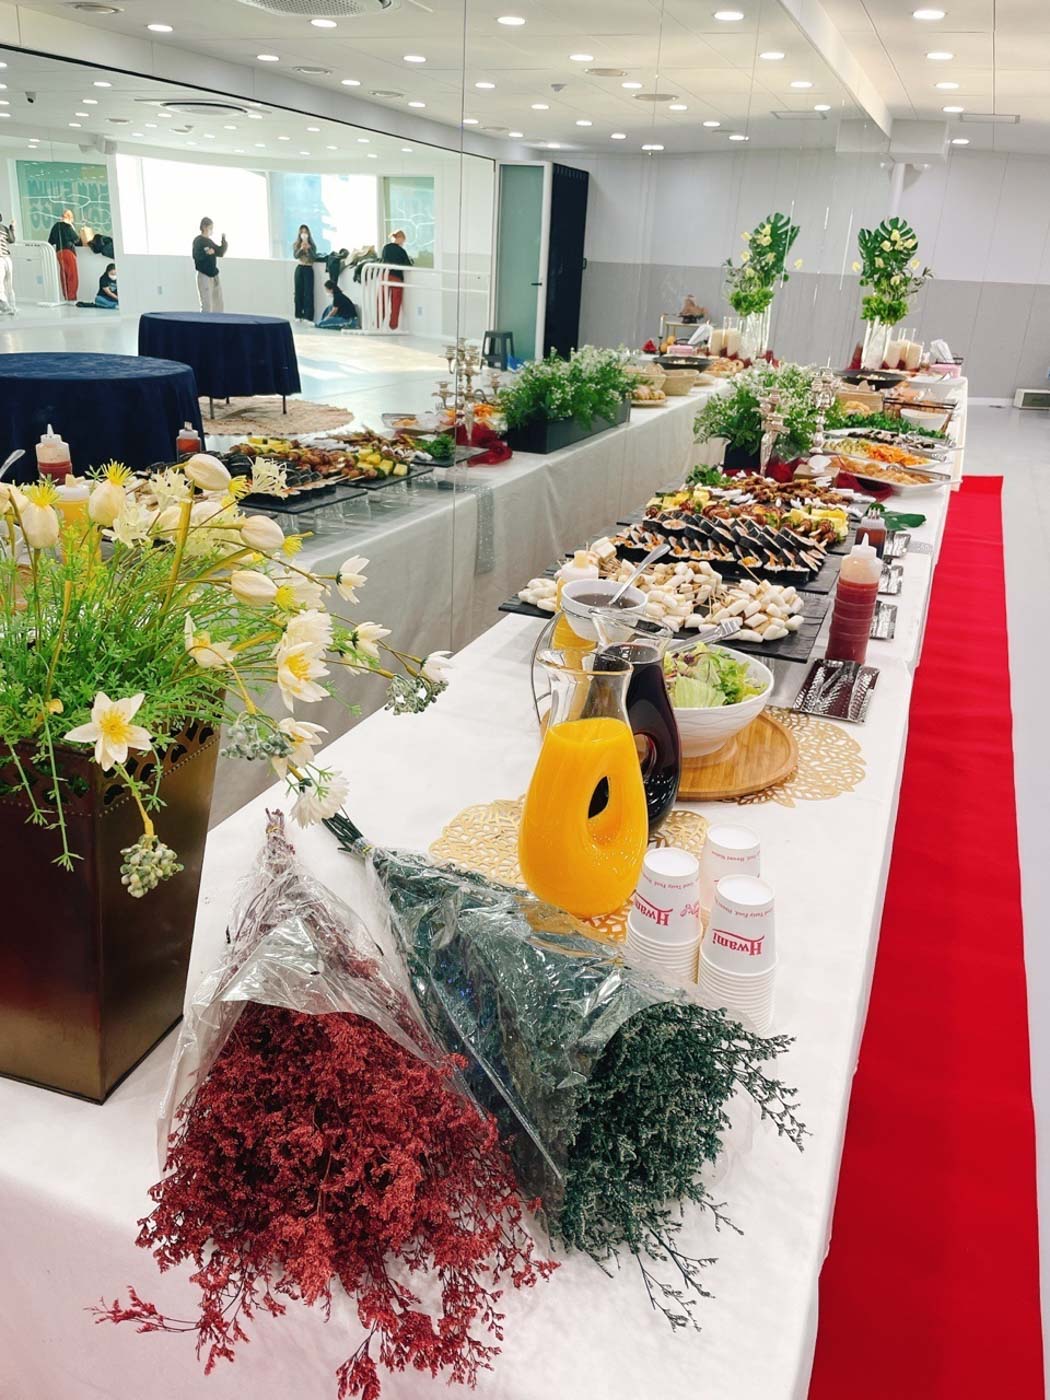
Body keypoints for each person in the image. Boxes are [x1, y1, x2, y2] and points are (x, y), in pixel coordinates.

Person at [192, 217, 227, 313]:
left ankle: (219, 321)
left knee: (218, 304)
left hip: (214, 275)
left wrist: (223, 241)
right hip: (204, 275)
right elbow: (196, 256)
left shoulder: (210, 242)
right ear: (204, 227)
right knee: (207, 304)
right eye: (210, 228)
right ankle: (206, 321)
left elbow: (220, 252)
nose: (212, 230)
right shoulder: (198, 241)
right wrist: (206, 253)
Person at [379, 229, 412, 330]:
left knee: (381, 300)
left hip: (385, 275)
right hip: (396, 277)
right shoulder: (401, 251)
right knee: (396, 302)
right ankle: (393, 325)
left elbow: (383, 259)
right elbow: (408, 265)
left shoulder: (386, 247)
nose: (403, 243)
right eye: (403, 240)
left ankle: (377, 322)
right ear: (400, 238)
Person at [48, 209, 79, 302]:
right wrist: (72, 227)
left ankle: (66, 296)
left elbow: (51, 241)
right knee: (72, 276)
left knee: (64, 275)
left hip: (59, 252)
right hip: (68, 252)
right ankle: (72, 298)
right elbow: (77, 239)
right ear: (70, 218)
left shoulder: (55, 226)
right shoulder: (68, 227)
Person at [292, 224, 318, 322]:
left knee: (308, 293)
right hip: (300, 268)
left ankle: (308, 316)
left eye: (305, 232)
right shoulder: (296, 244)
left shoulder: (312, 245)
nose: (304, 234)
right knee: (298, 292)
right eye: (302, 232)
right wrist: (301, 249)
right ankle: (298, 315)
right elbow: (295, 256)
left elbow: (314, 258)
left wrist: (309, 249)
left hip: (308, 268)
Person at [0, 211, 15, 316]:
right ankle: (12, 305)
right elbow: (12, 240)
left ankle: (5, 306)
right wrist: (12, 228)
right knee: (9, 283)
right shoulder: (4, 228)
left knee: (0, 284)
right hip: (7, 258)